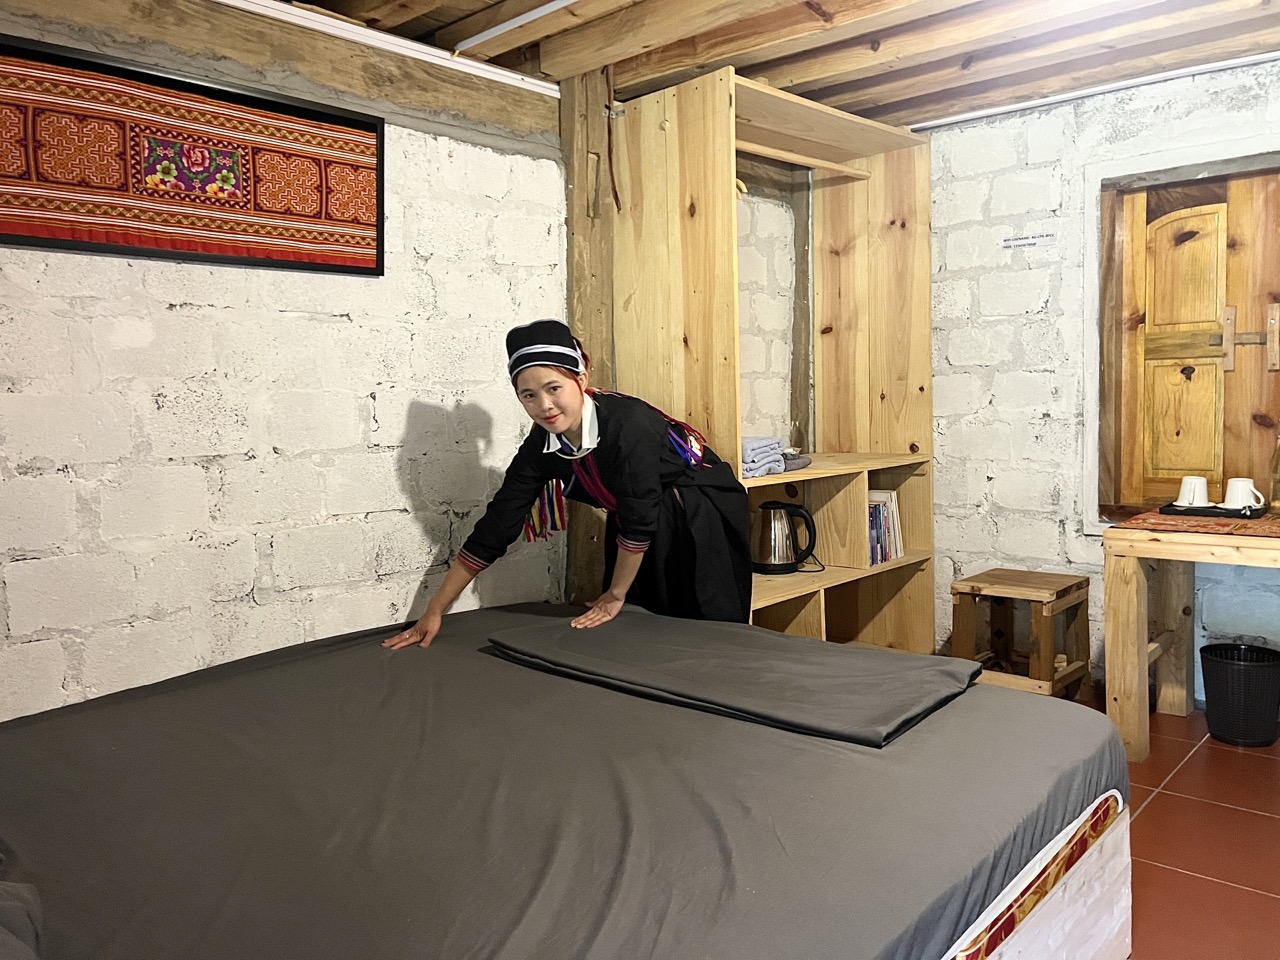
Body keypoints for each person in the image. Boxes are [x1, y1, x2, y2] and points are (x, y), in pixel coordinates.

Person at [384, 318, 750, 649]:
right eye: (529, 395)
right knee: (639, 633)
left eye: (554, 388)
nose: (544, 405)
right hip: (635, 521)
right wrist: (434, 610)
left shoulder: (628, 424)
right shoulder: (541, 447)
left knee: (704, 633)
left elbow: (639, 519)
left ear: (581, 378)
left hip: (696, 512)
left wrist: (615, 593)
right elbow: (497, 525)